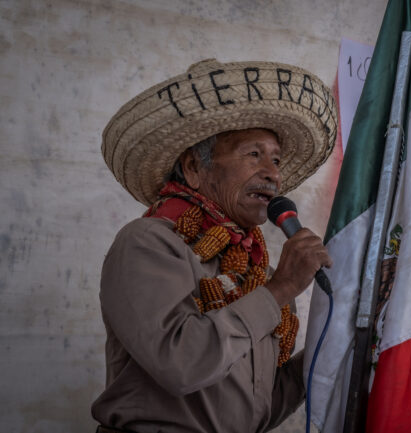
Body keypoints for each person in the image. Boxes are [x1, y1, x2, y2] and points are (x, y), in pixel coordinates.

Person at [91, 59, 338, 433]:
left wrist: (335, 344)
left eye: (276, 159)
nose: (272, 173)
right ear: (193, 167)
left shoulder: (255, 272)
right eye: (253, 154)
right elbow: (182, 365)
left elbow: (257, 410)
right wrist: (282, 288)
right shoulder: (147, 243)